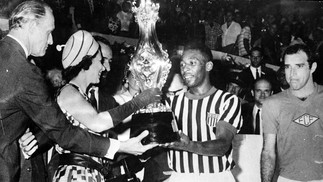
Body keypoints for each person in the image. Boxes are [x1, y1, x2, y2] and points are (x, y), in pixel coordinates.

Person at [0, 1, 159, 181]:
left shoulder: (8, 57)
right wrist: (138, 104)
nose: (51, 40)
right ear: (32, 25)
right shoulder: (27, 72)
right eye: (49, 31)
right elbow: (65, 132)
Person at [163, 43, 243, 182]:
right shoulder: (171, 103)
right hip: (180, 177)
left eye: (192, 63)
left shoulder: (227, 100)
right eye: (182, 65)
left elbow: (223, 144)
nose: (185, 69)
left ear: (208, 66)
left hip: (216, 177)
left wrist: (189, 145)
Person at [261, 44, 323, 182]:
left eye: (299, 66)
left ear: (312, 67)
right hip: (287, 178)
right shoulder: (272, 103)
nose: (291, 73)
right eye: (288, 67)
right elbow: (268, 152)